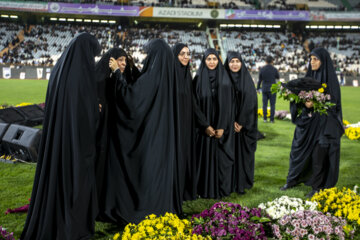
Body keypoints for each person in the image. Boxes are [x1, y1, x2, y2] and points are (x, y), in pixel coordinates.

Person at [21, 33, 101, 240]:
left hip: (58, 141)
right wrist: (96, 110)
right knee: (77, 182)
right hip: (76, 144)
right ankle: (75, 227)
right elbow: (85, 112)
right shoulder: (82, 74)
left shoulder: (60, 69)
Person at [99, 39, 177, 225]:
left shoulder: (151, 77)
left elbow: (131, 100)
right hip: (162, 137)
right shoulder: (166, 76)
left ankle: (143, 209)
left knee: (146, 173)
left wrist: (117, 73)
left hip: (149, 138)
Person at [281, 48, 343, 198]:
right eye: (311, 59)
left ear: (323, 61)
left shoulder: (331, 81)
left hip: (324, 124)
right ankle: (293, 179)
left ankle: (318, 186)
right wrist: (302, 101)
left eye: (315, 59)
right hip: (307, 122)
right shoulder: (308, 77)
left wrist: (315, 103)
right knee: (297, 150)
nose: (312, 62)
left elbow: (333, 103)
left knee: (319, 154)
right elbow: (297, 94)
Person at [94, 48, 139, 215]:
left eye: (125, 61)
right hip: (101, 130)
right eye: (120, 60)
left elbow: (127, 96)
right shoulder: (99, 76)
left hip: (117, 129)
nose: (123, 64)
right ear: (111, 60)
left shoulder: (123, 77)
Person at [193, 48, 234, 199]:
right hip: (203, 129)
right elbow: (194, 104)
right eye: (208, 59)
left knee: (220, 159)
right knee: (202, 159)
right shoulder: (197, 79)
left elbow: (228, 104)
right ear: (204, 61)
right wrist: (205, 125)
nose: (211, 62)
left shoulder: (225, 79)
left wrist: (222, 126)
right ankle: (202, 189)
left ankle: (219, 189)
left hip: (220, 129)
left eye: (214, 59)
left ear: (218, 60)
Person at [224, 51, 258, 194]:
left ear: (241, 63)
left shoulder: (247, 80)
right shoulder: (224, 78)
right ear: (228, 63)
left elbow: (251, 102)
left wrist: (241, 122)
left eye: (237, 61)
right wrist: (229, 121)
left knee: (243, 156)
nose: (235, 64)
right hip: (228, 125)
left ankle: (242, 183)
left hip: (243, 127)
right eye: (232, 61)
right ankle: (228, 183)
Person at [172, 43, 197, 214]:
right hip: (174, 127)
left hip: (186, 127)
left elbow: (192, 103)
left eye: (188, 54)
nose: (186, 57)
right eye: (182, 54)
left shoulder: (187, 75)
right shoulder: (171, 74)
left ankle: (181, 193)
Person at [257, 56, 279, 123]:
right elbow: (277, 77)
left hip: (265, 88)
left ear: (266, 61)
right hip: (272, 88)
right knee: (272, 105)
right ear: (272, 61)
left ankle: (265, 119)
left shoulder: (262, 69)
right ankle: (272, 120)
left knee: (264, 105)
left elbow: (259, 80)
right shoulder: (274, 69)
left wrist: (258, 88)